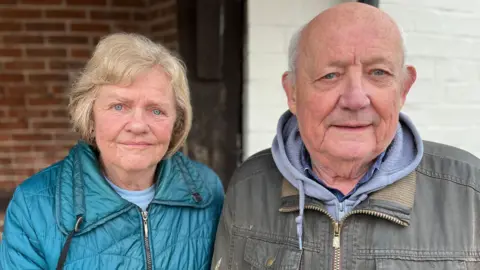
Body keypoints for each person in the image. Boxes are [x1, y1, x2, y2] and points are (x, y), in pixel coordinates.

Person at [212, 2, 480, 270]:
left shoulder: (470, 192)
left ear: (403, 89)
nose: (355, 99)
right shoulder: (249, 186)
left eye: (378, 73)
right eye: (330, 75)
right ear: (292, 92)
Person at [0, 33, 224, 269]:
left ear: (176, 121)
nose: (138, 125)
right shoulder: (35, 204)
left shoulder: (207, 191)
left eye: (156, 110)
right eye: (119, 106)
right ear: (90, 115)